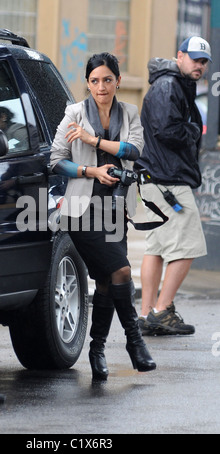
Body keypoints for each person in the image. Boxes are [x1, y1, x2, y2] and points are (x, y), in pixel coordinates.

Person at [50, 52, 156, 380]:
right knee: (121, 271)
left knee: (107, 281)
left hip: (116, 209)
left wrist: (93, 140)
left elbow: (133, 151)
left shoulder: (129, 113)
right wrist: (90, 170)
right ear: (87, 83)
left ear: (118, 81)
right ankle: (135, 342)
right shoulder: (73, 114)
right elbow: (55, 160)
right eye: (94, 81)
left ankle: (97, 350)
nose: (101, 86)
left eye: (107, 80)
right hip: (81, 210)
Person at [136, 36, 212, 336]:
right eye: (195, 59)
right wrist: (195, 130)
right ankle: (161, 310)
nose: (200, 66)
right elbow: (167, 130)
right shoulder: (169, 86)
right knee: (189, 245)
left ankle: (145, 314)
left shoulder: (172, 84)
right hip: (168, 181)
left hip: (157, 179)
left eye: (204, 62)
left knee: (155, 248)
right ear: (179, 56)